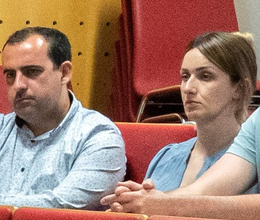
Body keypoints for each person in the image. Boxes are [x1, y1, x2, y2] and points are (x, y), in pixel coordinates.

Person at [0, 26, 125, 210]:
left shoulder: (99, 136)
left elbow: (63, 205)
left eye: (32, 72)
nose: (18, 85)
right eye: (10, 75)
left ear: (64, 73)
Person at [108, 30, 259, 205]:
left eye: (205, 76)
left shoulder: (254, 160)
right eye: (185, 76)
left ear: (239, 89)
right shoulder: (166, 156)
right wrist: (130, 202)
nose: (188, 88)